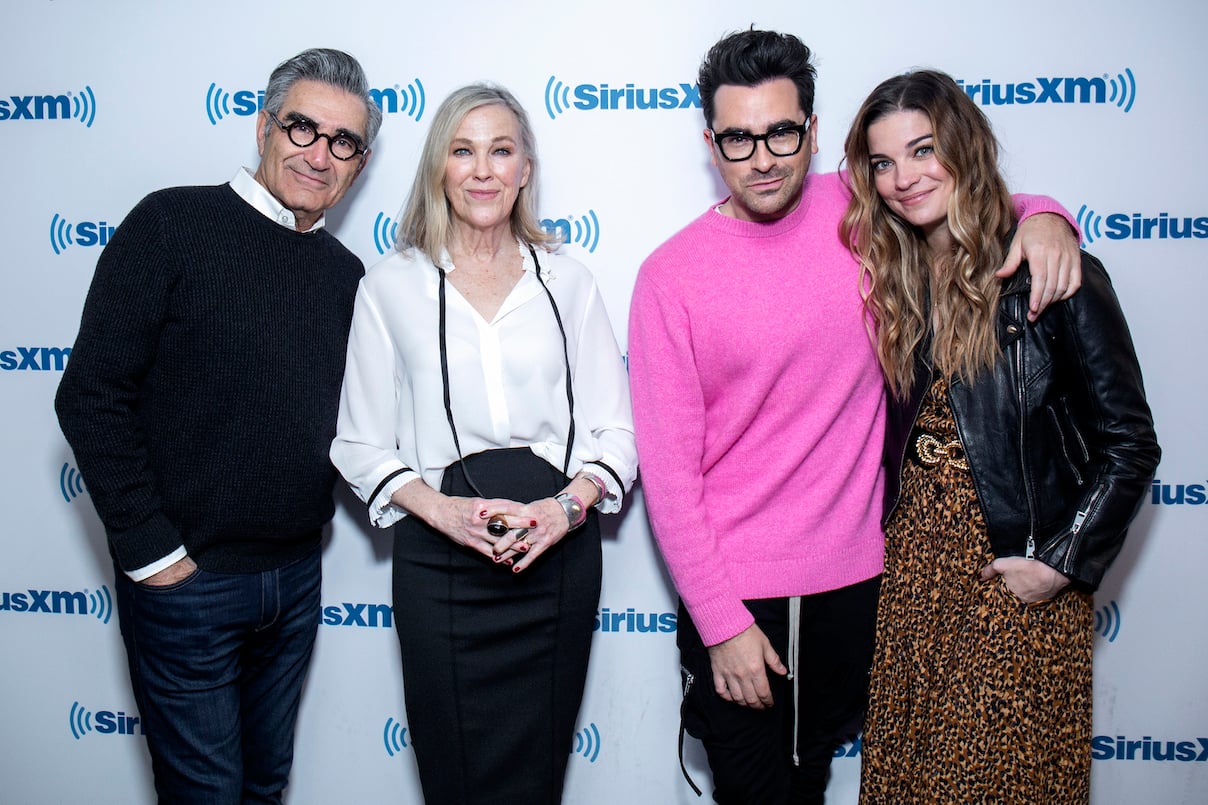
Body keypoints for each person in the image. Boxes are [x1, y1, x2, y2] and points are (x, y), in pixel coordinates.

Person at [627, 29, 1082, 805]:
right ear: (710, 143)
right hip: (742, 601)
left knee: (823, 784)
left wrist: (1046, 217)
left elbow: (966, 204)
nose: (762, 157)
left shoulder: (861, 207)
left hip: (861, 586)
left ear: (810, 128)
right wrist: (720, 622)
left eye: (781, 131)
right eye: (738, 138)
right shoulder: (670, 276)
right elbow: (669, 481)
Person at [54, 48, 380, 804]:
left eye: (343, 142)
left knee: (264, 786)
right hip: (188, 583)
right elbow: (90, 395)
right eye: (303, 127)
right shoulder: (171, 223)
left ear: (359, 164)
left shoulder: (344, 274)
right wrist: (153, 554)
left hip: (295, 582)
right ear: (264, 127)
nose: (318, 153)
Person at [840, 69, 1159, 804]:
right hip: (915, 586)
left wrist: (1061, 562)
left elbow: (1130, 442)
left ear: (964, 145)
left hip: (1011, 585)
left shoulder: (1052, 270)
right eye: (883, 163)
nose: (903, 178)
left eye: (923, 150)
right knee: (907, 786)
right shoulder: (899, 276)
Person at [329, 83, 637, 805]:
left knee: (537, 778)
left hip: (556, 560)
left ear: (526, 168)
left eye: (501, 150)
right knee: (452, 774)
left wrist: (568, 506)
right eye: (462, 151)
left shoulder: (569, 282)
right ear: (439, 166)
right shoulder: (391, 286)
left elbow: (617, 432)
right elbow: (358, 442)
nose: (482, 170)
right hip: (441, 565)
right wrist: (443, 513)